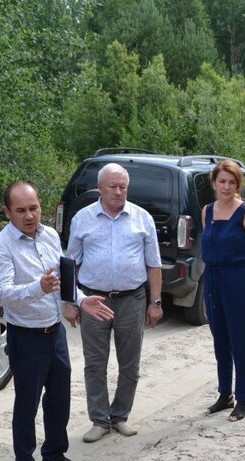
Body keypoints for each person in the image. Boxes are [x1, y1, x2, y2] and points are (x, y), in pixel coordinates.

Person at [0, 181, 112, 461]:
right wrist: (37, 288)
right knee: (26, 406)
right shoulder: (1, 247)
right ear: (7, 212)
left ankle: (54, 457)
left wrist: (80, 300)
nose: (30, 216)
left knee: (59, 399)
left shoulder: (50, 235)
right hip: (25, 336)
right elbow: (3, 295)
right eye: (21, 210)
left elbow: (62, 280)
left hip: (54, 332)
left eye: (34, 207)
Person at [65, 163, 163, 442]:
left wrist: (155, 302)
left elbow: (154, 265)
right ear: (100, 188)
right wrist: (71, 302)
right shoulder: (82, 219)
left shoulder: (142, 218)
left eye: (123, 187)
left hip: (132, 300)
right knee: (95, 363)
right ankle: (99, 419)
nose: (119, 192)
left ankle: (120, 416)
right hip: (93, 299)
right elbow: (70, 263)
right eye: (113, 186)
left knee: (129, 363)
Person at [200, 160, 245, 421]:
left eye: (231, 182)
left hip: (237, 278)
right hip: (212, 278)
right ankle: (224, 393)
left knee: (241, 340)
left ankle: (243, 398)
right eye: (222, 181)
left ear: (238, 184)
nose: (226, 186)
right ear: (214, 183)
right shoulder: (207, 211)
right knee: (220, 339)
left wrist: (241, 274)